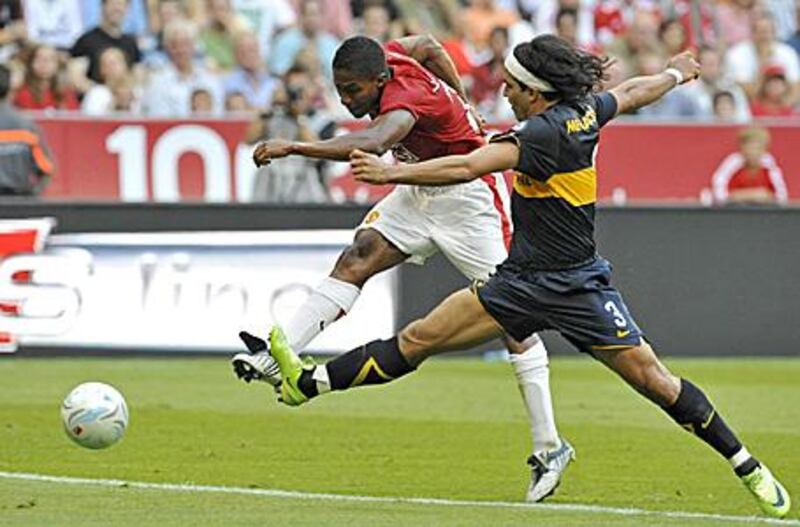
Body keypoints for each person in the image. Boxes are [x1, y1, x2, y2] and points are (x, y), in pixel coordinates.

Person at [261, 35, 792, 519]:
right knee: (419, 339)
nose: (505, 93)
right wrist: (675, 74)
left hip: (576, 285)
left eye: (512, 87)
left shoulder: (539, 134)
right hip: (519, 282)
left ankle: (747, 465)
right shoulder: (584, 111)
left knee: (655, 382)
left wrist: (392, 172)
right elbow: (631, 92)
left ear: (535, 94)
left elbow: (467, 167)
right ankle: (308, 383)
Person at [232, 34, 573, 502]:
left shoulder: (405, 100)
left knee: (513, 318)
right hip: (416, 189)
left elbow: (373, 142)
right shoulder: (389, 54)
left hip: (468, 198)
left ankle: (550, 446)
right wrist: (462, 97)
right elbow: (429, 44)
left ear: (380, 79)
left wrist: (293, 147)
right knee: (358, 255)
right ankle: (280, 353)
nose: (347, 100)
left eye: (353, 91)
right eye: (340, 89)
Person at [0, 64, 54, 196]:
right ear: (9, 90)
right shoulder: (26, 127)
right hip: (18, 203)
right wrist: (32, 196)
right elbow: (47, 168)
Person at [712, 126, 788, 205]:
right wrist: (746, 195)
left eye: (757, 148)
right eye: (749, 147)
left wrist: (766, 196)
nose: (752, 152)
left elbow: (782, 197)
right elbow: (719, 195)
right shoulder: (731, 165)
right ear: (741, 148)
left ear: (764, 149)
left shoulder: (770, 168)